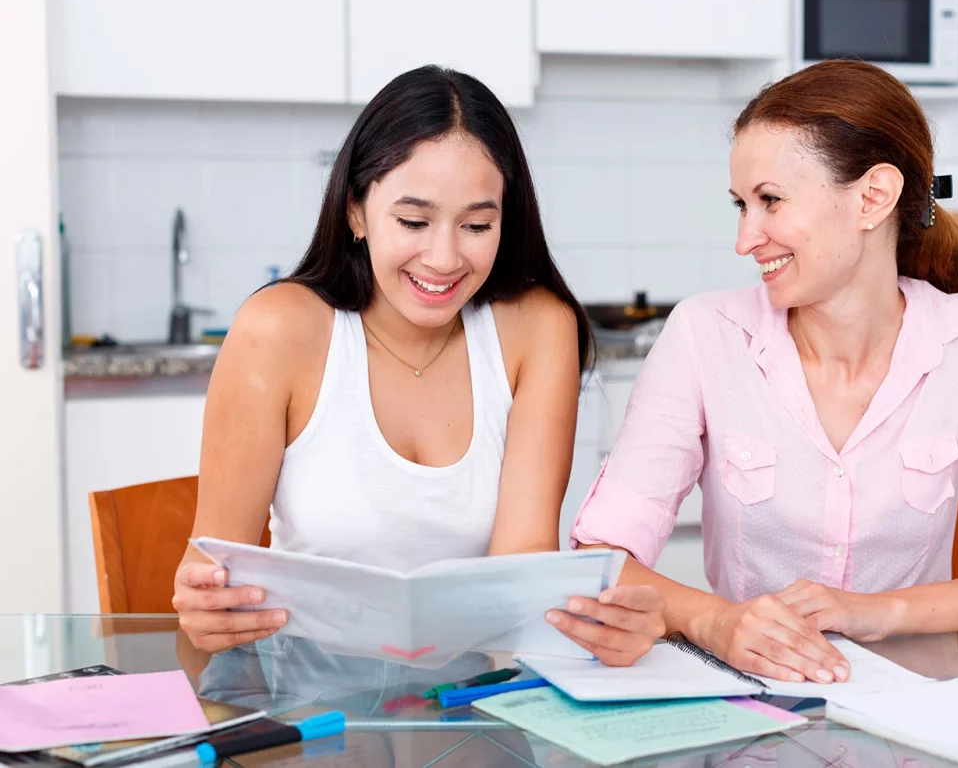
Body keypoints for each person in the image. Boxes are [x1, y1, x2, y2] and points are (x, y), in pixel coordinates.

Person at [563, 60, 958, 686]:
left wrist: (876, 613)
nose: (746, 238)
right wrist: (716, 621)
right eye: (741, 206)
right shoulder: (703, 336)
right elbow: (602, 560)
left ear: (873, 197)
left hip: (916, 705)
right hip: (753, 706)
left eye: (770, 201)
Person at [172, 65, 665, 662]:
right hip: (308, 700)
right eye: (413, 221)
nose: (444, 257)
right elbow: (214, 565)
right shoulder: (279, 330)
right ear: (356, 210)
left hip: (473, 694)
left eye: (478, 225)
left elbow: (521, 570)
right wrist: (205, 603)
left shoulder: (538, 328)